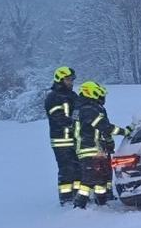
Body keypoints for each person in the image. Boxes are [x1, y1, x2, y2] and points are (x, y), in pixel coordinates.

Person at [73, 81, 131, 209]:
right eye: (100, 94)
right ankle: (79, 205)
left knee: (101, 178)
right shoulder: (88, 109)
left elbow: (101, 130)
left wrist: (107, 143)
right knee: (88, 179)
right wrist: (124, 131)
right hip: (89, 149)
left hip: (95, 148)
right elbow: (104, 126)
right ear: (92, 93)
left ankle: (101, 202)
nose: (102, 98)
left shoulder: (87, 108)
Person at [44, 66, 80, 205]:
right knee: (66, 170)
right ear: (60, 79)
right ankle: (66, 199)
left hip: (74, 139)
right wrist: (72, 123)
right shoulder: (53, 97)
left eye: (71, 79)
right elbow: (57, 117)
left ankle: (78, 196)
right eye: (68, 79)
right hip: (61, 140)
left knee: (78, 169)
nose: (71, 82)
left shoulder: (72, 95)